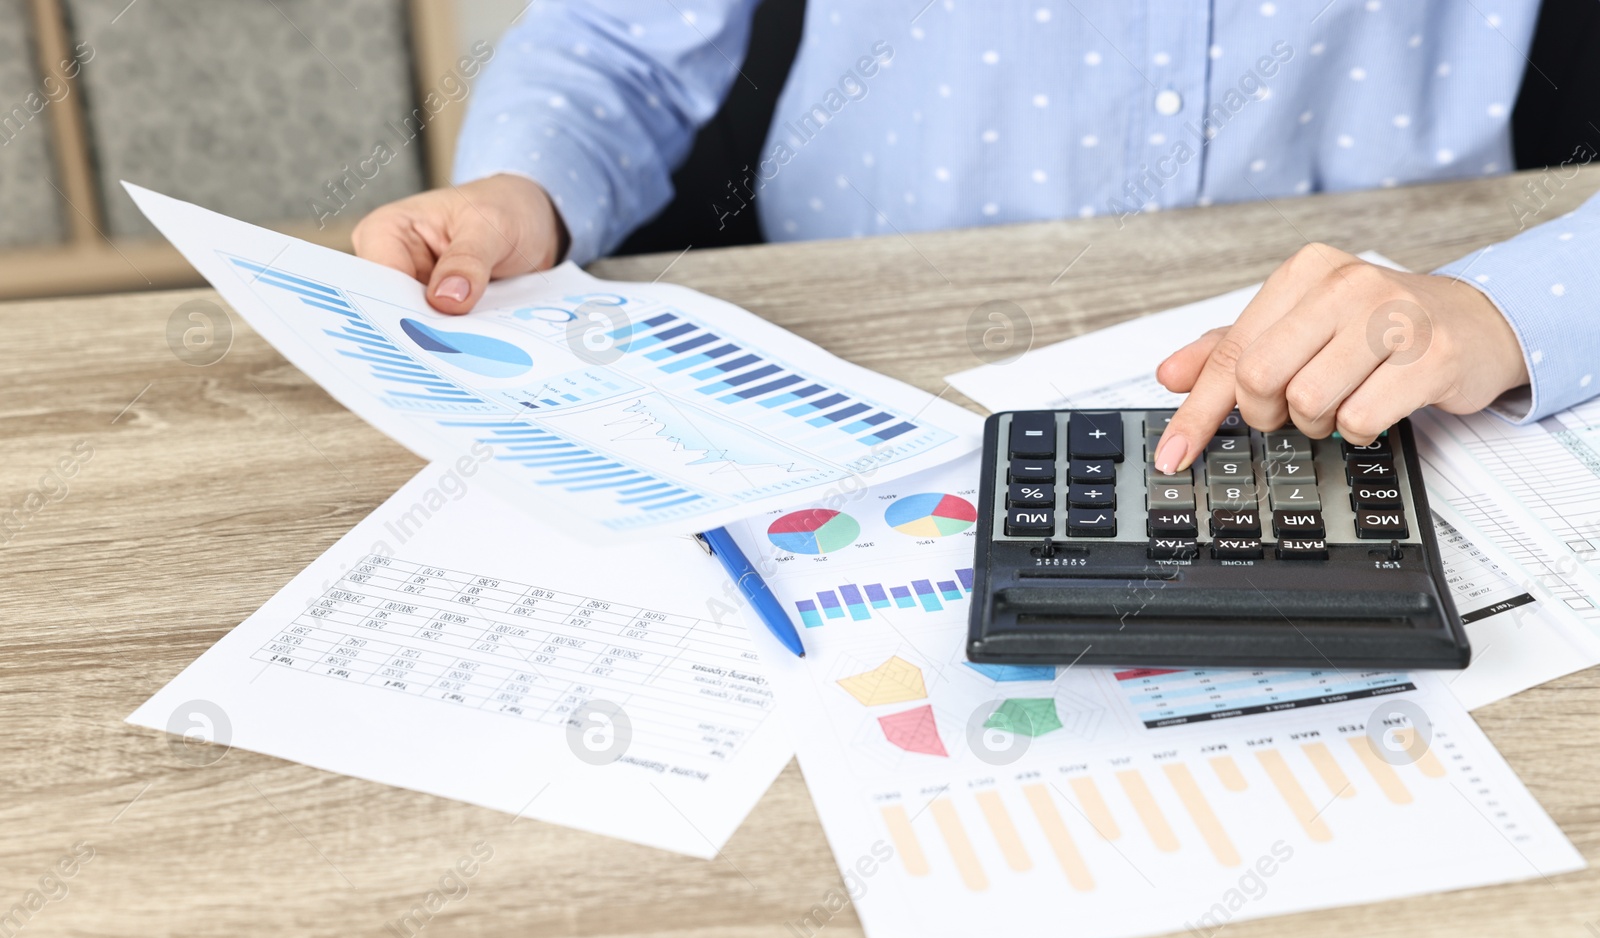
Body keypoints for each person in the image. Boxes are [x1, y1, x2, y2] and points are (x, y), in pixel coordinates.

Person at [353, 1, 1600, 473]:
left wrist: (1505, 311)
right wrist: (528, 191)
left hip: (1384, 393)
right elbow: (619, 41)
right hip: (863, 377)